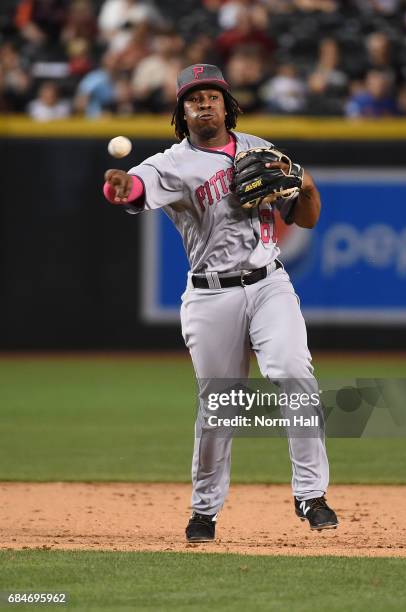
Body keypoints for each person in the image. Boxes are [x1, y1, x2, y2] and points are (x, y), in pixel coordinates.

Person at [103, 64, 338, 543]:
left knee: (295, 374)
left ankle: (311, 495)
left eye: (211, 95)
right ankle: (205, 511)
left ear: (226, 104)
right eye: (193, 98)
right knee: (221, 405)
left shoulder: (260, 150)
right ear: (182, 112)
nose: (203, 103)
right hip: (212, 296)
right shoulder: (170, 164)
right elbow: (132, 189)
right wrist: (119, 186)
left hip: (270, 282)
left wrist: (307, 187)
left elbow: (306, 216)